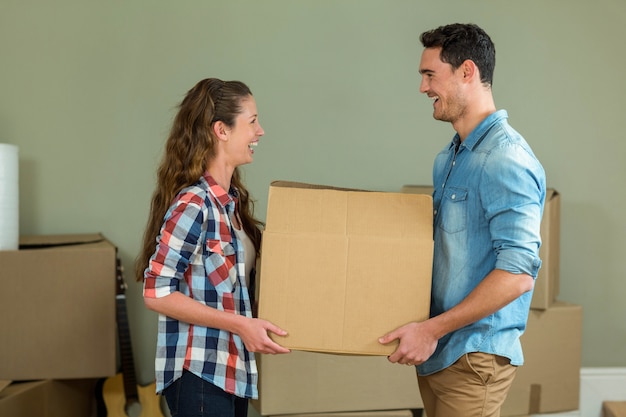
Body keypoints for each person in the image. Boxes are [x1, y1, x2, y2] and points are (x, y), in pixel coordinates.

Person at [379, 23, 546, 417]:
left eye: (430, 75)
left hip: (475, 357)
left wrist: (431, 329)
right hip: (440, 354)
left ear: (467, 71)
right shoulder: (450, 158)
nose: (423, 88)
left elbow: (519, 272)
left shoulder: (505, 159)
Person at [135, 78, 290, 417]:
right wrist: (239, 324)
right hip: (199, 374)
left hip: (231, 370)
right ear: (221, 130)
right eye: (252, 122)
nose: (260, 131)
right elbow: (155, 293)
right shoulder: (195, 204)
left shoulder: (230, 204)